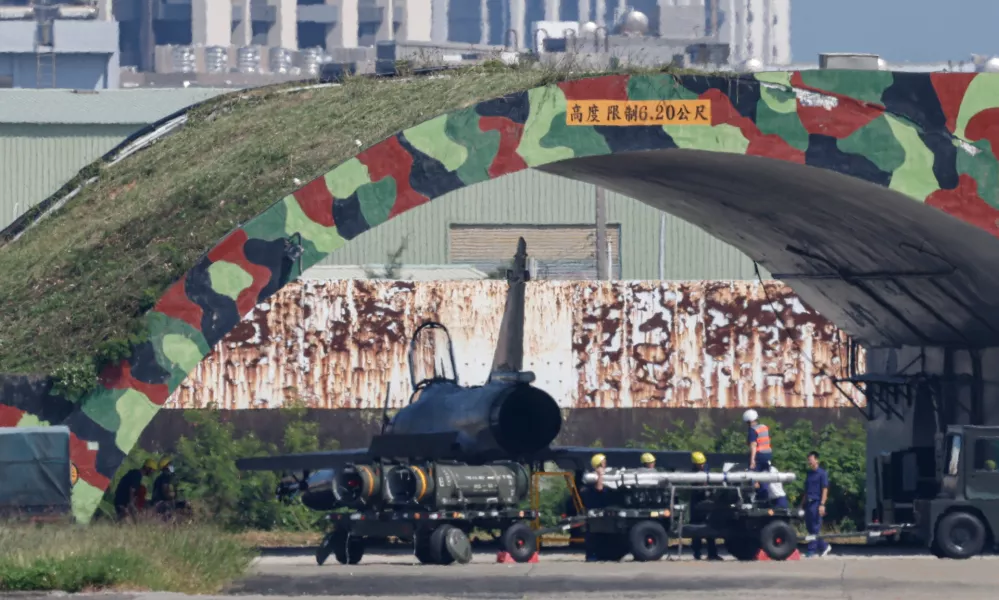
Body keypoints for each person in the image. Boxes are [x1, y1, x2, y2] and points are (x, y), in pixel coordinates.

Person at [688, 451, 721, 561]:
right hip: (696, 504)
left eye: (703, 463)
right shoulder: (692, 475)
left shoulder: (706, 471)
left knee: (709, 528)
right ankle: (697, 553)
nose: (701, 465)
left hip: (706, 503)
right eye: (699, 464)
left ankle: (712, 553)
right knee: (696, 530)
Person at [801, 451, 832, 558]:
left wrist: (822, 504)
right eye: (808, 459)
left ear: (816, 460)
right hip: (808, 503)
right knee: (810, 528)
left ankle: (811, 550)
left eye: (811, 459)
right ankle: (824, 546)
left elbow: (825, 489)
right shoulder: (809, 474)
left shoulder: (822, 473)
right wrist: (802, 504)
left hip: (817, 502)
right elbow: (806, 491)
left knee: (815, 527)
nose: (809, 461)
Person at [582, 453, 610, 561]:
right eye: (604, 462)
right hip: (594, 510)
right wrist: (600, 476)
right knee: (593, 534)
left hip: (600, 509)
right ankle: (591, 555)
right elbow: (599, 489)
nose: (605, 463)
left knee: (599, 534)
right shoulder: (593, 476)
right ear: (599, 464)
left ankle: (599, 554)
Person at [743, 409, 772, 501]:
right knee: (764, 476)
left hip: (759, 455)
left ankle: (755, 497)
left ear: (748, 421)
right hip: (768, 455)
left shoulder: (752, 430)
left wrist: (752, 460)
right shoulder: (763, 427)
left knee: (752, 474)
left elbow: (753, 445)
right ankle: (765, 497)